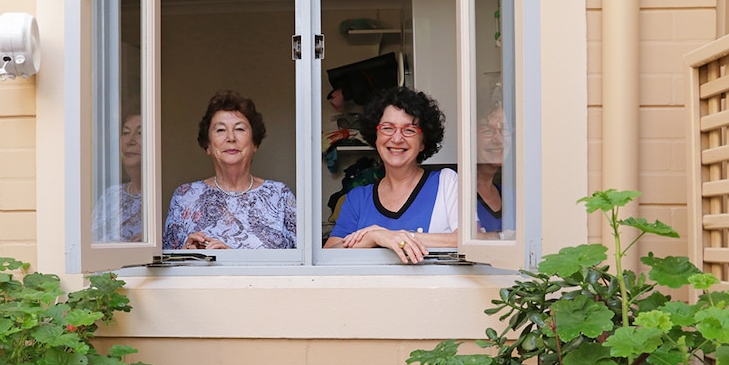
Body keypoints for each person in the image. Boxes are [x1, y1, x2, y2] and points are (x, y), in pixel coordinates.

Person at [323, 86, 458, 264]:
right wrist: (374, 237)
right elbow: (328, 257)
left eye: (409, 130)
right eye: (387, 128)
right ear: (376, 136)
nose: (396, 139)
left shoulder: (446, 182)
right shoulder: (357, 199)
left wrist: (398, 238)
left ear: (423, 142)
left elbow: (469, 240)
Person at [162, 91, 296, 250]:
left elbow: (302, 265)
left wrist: (233, 259)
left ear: (255, 144)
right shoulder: (185, 196)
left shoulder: (280, 194)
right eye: (220, 130)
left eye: (239, 129)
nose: (231, 138)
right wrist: (185, 254)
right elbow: (168, 265)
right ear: (208, 146)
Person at [92, 101, 144, 242]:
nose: (129, 141)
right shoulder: (110, 196)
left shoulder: (163, 197)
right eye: (126, 133)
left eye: (140, 133)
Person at [476, 103, 506, 238]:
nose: (499, 140)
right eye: (487, 131)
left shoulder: (515, 197)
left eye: (504, 131)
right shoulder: (450, 193)